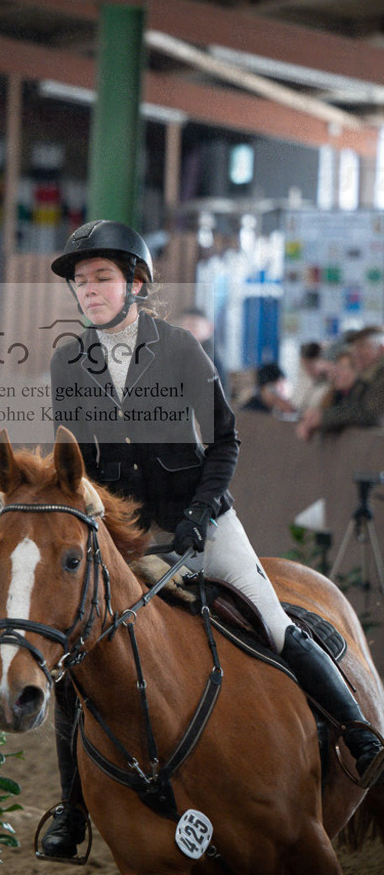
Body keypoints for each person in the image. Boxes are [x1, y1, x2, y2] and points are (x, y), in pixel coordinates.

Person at [39, 219, 384, 861]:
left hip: (203, 524)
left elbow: (225, 440)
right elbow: (75, 461)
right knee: (76, 662)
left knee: (274, 621)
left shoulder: (179, 352)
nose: (89, 290)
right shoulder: (68, 365)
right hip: (126, 538)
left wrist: (201, 511)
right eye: (81, 281)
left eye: (102, 278)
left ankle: (361, 735)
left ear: (135, 284)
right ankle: (73, 809)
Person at [297, 327, 384, 441]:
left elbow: (369, 414)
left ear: (381, 349)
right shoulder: (365, 379)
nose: (357, 353)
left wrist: (323, 418)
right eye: (355, 347)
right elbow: (349, 409)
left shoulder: (378, 377)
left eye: (363, 346)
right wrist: (317, 419)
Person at [296, 348, 358, 442]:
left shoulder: (362, 397)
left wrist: (321, 419)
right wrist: (308, 421)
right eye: (338, 367)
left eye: (344, 368)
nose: (338, 372)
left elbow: (354, 416)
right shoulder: (332, 394)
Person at [173, 306, 229, 397]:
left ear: (209, 328)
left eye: (193, 326)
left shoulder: (210, 357)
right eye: (183, 326)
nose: (187, 330)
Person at [294, 341, 332, 415]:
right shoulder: (305, 376)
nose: (308, 372)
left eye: (311, 368)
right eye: (306, 367)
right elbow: (297, 401)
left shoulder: (329, 382)